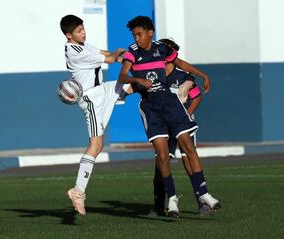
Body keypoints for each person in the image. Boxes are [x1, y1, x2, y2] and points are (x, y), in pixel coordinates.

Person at [118, 16, 221, 217]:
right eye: (134, 35)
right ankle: (171, 199)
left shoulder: (162, 49)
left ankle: (204, 194)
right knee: (163, 156)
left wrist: (203, 75)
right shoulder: (132, 52)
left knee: (188, 148)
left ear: (150, 32)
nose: (137, 38)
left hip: (171, 104)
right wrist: (137, 79)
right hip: (151, 108)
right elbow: (122, 76)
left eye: (139, 34)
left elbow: (180, 62)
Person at [60, 15, 131, 216]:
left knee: (132, 85)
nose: (83, 33)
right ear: (69, 35)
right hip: (91, 100)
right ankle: (78, 191)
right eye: (79, 31)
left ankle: (172, 91)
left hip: (101, 91)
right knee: (96, 146)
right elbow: (109, 58)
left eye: (83, 28)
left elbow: (105, 53)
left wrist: (126, 58)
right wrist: (119, 55)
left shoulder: (82, 46)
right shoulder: (75, 53)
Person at [152, 38, 215, 216]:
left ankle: (202, 202)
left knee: (188, 159)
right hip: (164, 125)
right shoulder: (156, 76)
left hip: (181, 124)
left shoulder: (183, 77)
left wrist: (186, 115)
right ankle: (159, 206)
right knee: (160, 163)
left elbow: (197, 96)